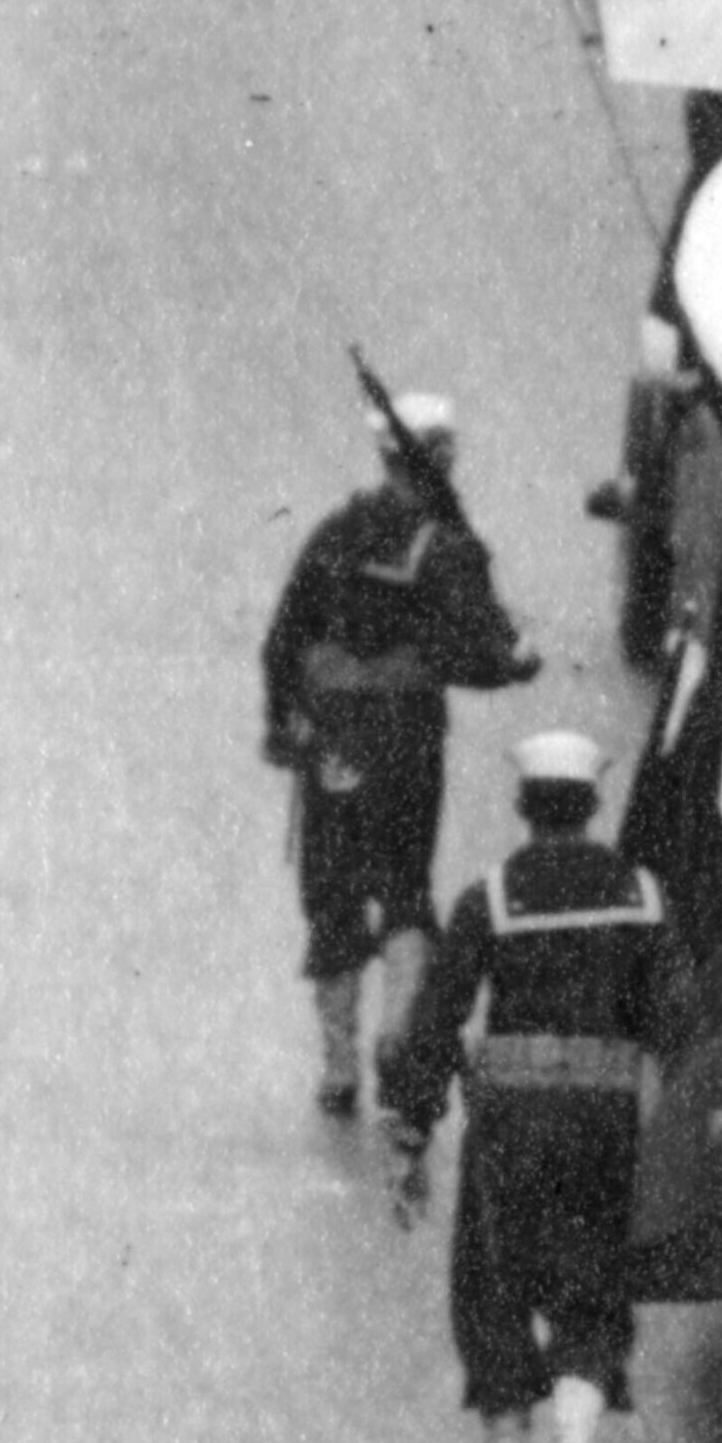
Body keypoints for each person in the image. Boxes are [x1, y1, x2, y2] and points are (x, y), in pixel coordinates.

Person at [377, 720, 670, 1443]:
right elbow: (678, 1018)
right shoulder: (644, 898)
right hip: (605, 1122)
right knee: (591, 1285)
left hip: (510, 1121)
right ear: (591, 804)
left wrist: (411, 1129)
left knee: (495, 1286)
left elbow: (437, 1020)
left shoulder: (491, 898)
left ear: (522, 805)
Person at [257, 382, 539, 1118]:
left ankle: (338, 1061)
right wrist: (513, 661)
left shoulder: (333, 533)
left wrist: (282, 722)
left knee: (333, 890)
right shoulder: (444, 548)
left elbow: (283, 639)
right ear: (441, 457)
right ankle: (394, 1035)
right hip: (406, 739)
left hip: (332, 741)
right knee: (404, 883)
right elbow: (480, 649)